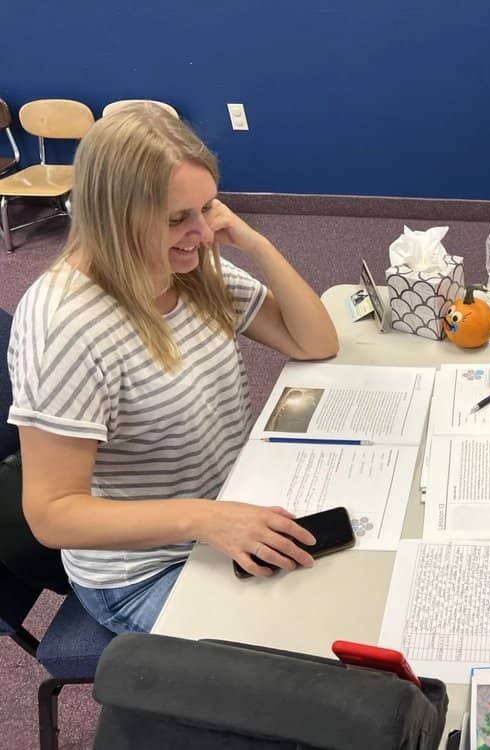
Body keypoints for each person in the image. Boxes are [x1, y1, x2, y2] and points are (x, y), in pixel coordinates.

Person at [7, 104, 340, 634]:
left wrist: (256, 242)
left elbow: (314, 342)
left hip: (224, 515)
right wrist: (204, 519)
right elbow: (52, 515)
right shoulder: (65, 324)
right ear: (113, 217)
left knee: (348, 597)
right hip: (143, 570)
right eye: (176, 218)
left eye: (208, 208)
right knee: (311, 644)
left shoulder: (185, 266)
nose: (203, 233)